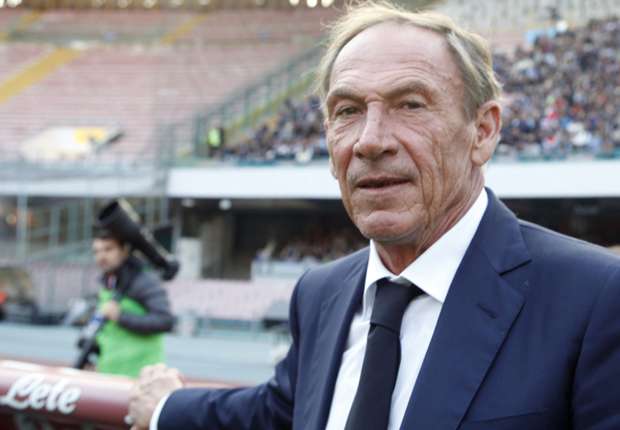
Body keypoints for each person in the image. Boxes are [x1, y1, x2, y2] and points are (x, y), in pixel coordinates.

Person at [128, 2, 620, 429]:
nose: (370, 141)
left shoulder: (593, 297)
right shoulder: (320, 293)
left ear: (483, 131)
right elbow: (278, 412)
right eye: (347, 111)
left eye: (410, 105)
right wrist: (166, 407)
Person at [90, 228, 174, 378]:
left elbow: (165, 321)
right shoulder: (107, 283)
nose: (101, 256)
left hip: (141, 376)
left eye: (108, 249)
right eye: (96, 251)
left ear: (124, 251)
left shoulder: (144, 281)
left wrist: (120, 316)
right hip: (109, 373)